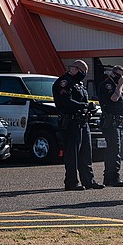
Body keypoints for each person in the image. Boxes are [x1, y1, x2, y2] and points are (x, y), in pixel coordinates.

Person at [52, 59, 104, 191]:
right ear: (75, 69)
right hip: (71, 122)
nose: (84, 74)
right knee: (72, 154)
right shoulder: (64, 82)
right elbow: (66, 102)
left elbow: (82, 102)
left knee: (86, 152)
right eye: (83, 71)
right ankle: (71, 182)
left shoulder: (78, 83)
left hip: (83, 121)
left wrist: (88, 109)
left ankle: (89, 180)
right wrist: (85, 105)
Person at [98, 64, 123, 187]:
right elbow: (113, 99)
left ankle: (108, 178)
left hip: (119, 122)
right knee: (114, 150)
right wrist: (120, 85)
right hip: (110, 122)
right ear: (113, 74)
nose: (122, 78)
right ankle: (114, 177)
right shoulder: (107, 85)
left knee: (112, 150)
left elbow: (120, 105)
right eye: (120, 75)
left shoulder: (116, 86)